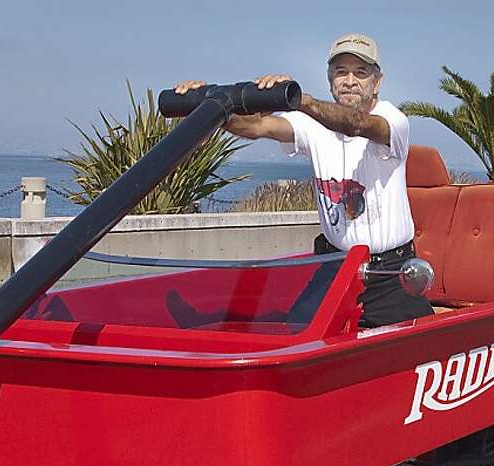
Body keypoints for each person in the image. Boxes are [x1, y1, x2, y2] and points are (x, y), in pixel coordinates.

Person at [175, 33, 433, 328]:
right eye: (340, 71)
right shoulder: (313, 124)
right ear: (329, 78)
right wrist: (202, 106)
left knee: (412, 352)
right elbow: (255, 126)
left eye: (360, 73)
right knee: (296, 338)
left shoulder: (393, 120)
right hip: (335, 266)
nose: (349, 80)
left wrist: (301, 101)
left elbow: (357, 125)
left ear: (377, 81)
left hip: (389, 272)